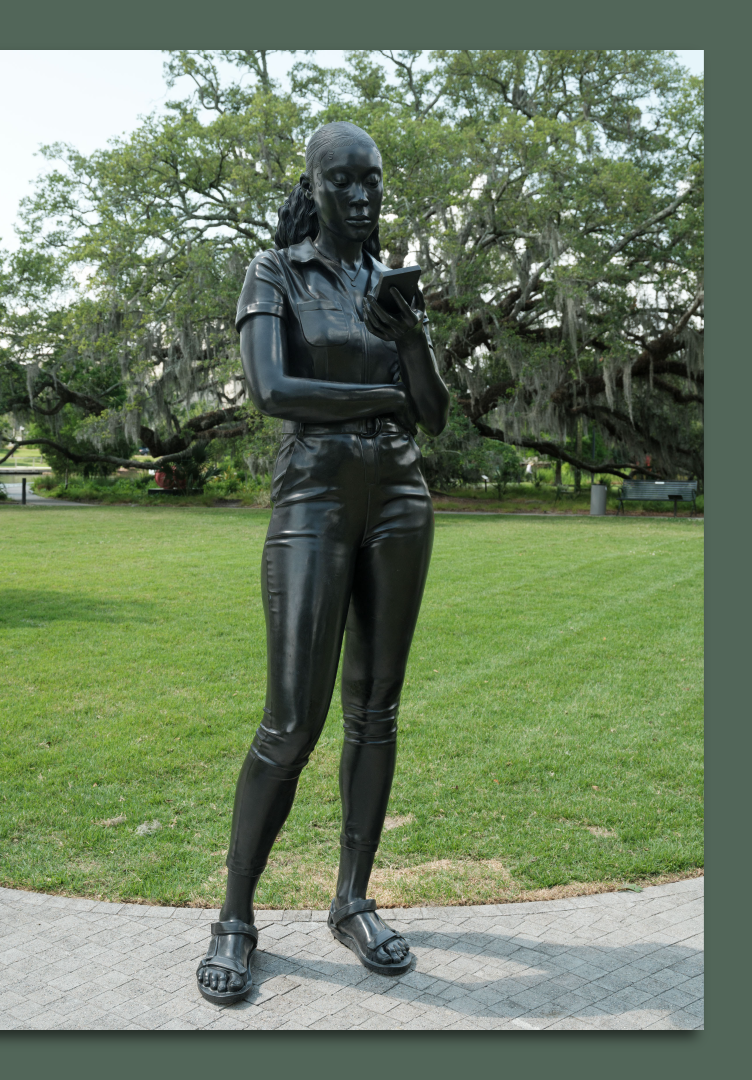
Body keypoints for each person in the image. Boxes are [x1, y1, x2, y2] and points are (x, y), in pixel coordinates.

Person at [196, 121, 451, 1005]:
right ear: (315, 185)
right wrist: (385, 394)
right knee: (292, 721)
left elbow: (438, 413)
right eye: (343, 181)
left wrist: (409, 331)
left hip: (400, 500)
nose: (361, 195)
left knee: (375, 711)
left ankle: (351, 900)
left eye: (372, 179)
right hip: (312, 497)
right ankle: (235, 916)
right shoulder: (275, 273)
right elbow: (274, 391)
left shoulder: (388, 282)